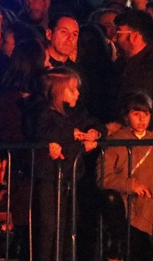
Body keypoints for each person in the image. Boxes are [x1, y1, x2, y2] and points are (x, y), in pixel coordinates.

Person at [32, 66, 102, 261]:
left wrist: (94, 133)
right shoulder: (44, 113)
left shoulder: (77, 113)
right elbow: (41, 132)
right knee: (49, 225)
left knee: (66, 224)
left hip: (70, 176)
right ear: (59, 92)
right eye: (72, 89)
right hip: (49, 176)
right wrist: (73, 137)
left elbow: (95, 124)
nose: (78, 93)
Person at [98, 92, 153, 260]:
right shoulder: (115, 141)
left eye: (145, 114)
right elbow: (102, 176)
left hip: (147, 208)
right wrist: (130, 185)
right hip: (123, 209)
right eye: (136, 114)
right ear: (126, 116)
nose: (142, 119)